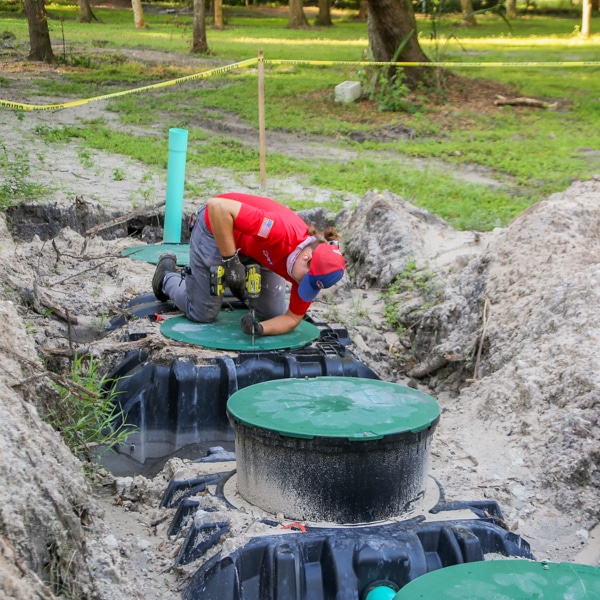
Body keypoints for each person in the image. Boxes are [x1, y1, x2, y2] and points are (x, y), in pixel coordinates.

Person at [152, 192, 346, 337]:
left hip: (254, 248)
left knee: (272, 313)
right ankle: (166, 277)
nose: (301, 285)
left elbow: (292, 319)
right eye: (306, 279)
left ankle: (235, 284)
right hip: (217, 228)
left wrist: (261, 329)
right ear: (306, 257)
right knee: (202, 313)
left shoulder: (309, 271)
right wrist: (230, 261)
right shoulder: (280, 231)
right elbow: (217, 207)